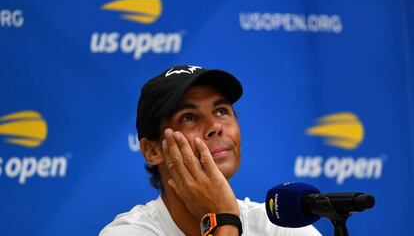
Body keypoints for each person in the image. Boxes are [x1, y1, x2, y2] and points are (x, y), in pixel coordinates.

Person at [99, 65, 321, 236]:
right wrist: (222, 219)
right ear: (152, 150)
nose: (215, 126)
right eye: (188, 117)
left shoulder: (280, 228)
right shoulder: (129, 232)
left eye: (222, 111)